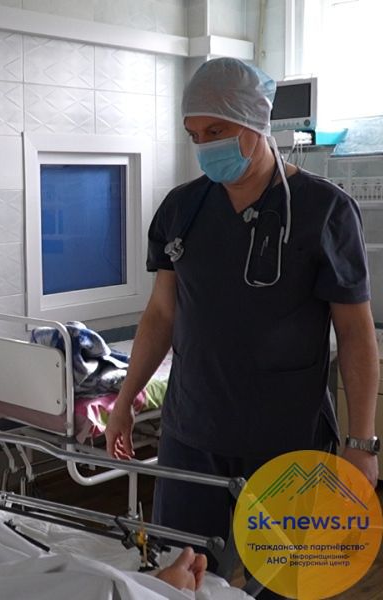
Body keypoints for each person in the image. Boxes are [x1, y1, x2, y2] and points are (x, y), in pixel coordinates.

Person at [105, 57, 379, 592]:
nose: (204, 145)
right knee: (176, 577)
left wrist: (362, 444)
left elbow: (355, 334)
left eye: (216, 131)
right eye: (194, 135)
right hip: (193, 433)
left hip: (286, 441)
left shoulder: (324, 211)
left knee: (284, 582)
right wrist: (123, 403)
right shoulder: (182, 210)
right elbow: (161, 314)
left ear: (256, 121)